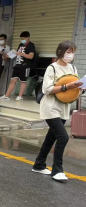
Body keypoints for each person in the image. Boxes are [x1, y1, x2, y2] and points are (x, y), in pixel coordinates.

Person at [32, 41, 81, 182]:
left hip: (64, 107)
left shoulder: (73, 68)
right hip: (51, 107)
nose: (71, 55)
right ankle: (57, 170)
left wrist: (80, 88)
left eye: (73, 52)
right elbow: (47, 89)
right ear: (60, 52)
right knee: (63, 137)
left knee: (51, 137)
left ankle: (39, 164)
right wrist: (67, 86)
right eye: (68, 52)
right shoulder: (52, 68)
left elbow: (75, 86)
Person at [1, 31, 35, 101]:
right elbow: (17, 53)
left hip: (25, 66)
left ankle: (20, 96)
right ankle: (7, 95)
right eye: (21, 38)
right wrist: (10, 55)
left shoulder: (31, 45)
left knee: (23, 81)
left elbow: (31, 56)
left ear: (28, 38)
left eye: (23, 38)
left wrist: (21, 54)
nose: (22, 40)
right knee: (13, 80)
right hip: (17, 65)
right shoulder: (20, 45)